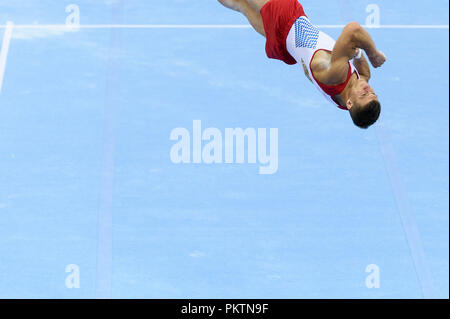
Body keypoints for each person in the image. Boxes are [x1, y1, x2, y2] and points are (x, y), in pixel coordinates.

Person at [218, 0, 387, 129]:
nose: (368, 89)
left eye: (364, 95)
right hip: (285, 46)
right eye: (373, 93)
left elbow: (353, 29)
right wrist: (357, 53)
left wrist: (373, 53)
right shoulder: (348, 95)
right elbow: (364, 75)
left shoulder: (337, 75)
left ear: (350, 103)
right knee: (240, 5)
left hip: (285, 17)